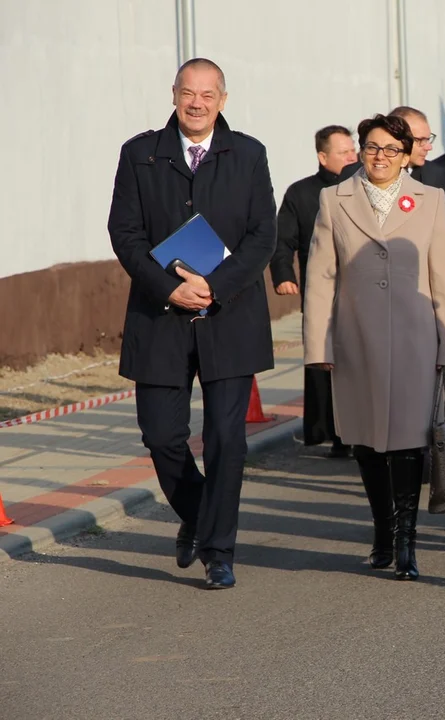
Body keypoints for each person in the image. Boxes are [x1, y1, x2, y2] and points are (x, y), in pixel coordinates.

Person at [107, 58, 276, 590]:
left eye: (207, 94)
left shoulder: (248, 154)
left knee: (227, 438)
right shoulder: (140, 154)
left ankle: (218, 551)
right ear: (174, 94)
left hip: (230, 316)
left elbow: (261, 237)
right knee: (161, 436)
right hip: (159, 317)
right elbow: (125, 232)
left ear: (223, 99)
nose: (197, 102)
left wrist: (215, 287)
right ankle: (201, 516)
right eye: (188, 92)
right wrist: (170, 286)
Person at [303, 114, 445, 581]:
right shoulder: (334, 199)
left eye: (392, 149)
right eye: (372, 147)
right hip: (356, 338)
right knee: (367, 441)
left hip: (416, 337)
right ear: (360, 148)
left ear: (408, 152)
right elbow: (321, 275)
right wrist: (319, 343)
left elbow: (444, 278)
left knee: (410, 441)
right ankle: (382, 531)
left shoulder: (430, 199)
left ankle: (407, 542)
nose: (380, 156)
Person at [271, 125, 357, 459]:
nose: (352, 157)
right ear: (323, 157)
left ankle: (360, 429)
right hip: (321, 293)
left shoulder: (365, 189)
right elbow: (283, 240)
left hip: (361, 293)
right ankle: (335, 434)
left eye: (353, 150)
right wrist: (283, 274)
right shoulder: (302, 193)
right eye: (343, 152)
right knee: (325, 362)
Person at [341, 106, 445, 243]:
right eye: (420, 140)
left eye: (428, 139)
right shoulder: (352, 175)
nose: (428, 147)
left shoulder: (438, 175)